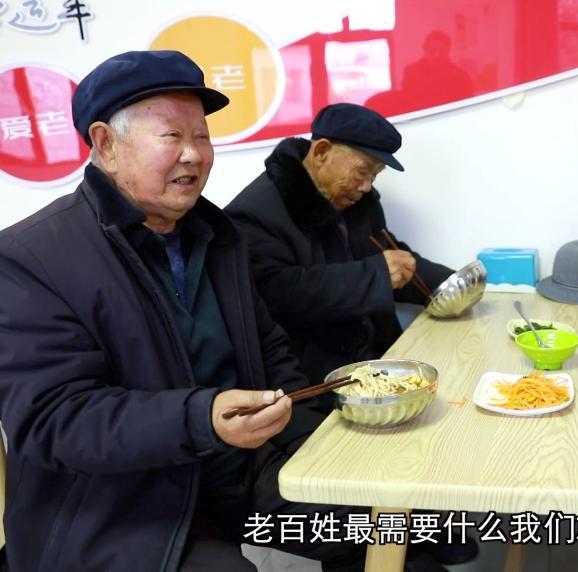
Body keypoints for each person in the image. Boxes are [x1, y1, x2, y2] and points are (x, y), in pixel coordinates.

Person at [0, 50, 372, 571]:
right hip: (121, 505)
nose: (194, 155)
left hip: (236, 473)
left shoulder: (217, 236)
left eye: (202, 136)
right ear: (106, 145)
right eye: (172, 136)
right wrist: (200, 418)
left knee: (381, 519)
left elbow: (267, 348)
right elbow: (54, 420)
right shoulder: (30, 257)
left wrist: (311, 447)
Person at [226, 104, 455, 396]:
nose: (366, 186)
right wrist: (376, 276)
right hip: (313, 382)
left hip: (380, 364)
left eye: (375, 175)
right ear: (322, 152)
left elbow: (390, 256)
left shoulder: (357, 201)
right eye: (363, 171)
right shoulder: (254, 213)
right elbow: (276, 294)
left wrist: (450, 284)